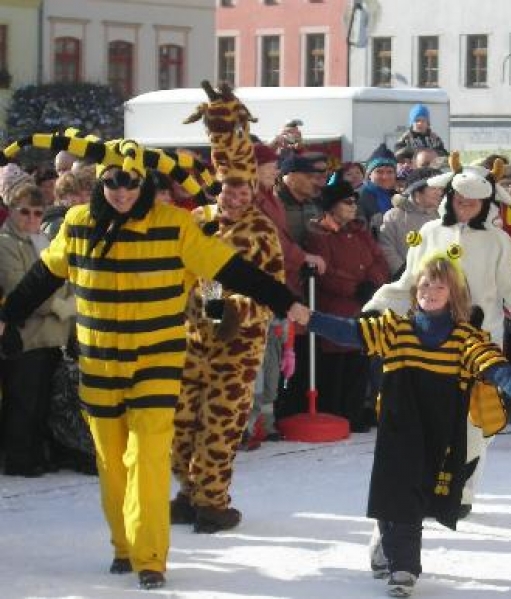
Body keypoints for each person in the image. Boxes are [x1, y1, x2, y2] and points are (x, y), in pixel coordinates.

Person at [0, 133, 307, 591]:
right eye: (113, 183)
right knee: (111, 461)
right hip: (100, 363)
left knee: (148, 455)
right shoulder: (80, 223)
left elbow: (227, 270)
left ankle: (150, 557)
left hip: (157, 361)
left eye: (130, 183)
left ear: (144, 183)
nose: (122, 192)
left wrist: (284, 300)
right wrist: (9, 317)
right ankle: (124, 546)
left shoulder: (175, 225)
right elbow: (44, 276)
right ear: (100, 183)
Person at [295, 254, 511, 598]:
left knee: (412, 496)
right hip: (397, 427)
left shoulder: (463, 337)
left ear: (453, 294)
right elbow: (349, 331)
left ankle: (393, 549)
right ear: (416, 290)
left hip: (438, 431)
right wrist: (308, 317)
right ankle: (403, 566)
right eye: (426, 284)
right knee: (397, 492)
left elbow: (492, 365)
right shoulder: (394, 329)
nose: (431, 290)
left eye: (439, 285)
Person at [364, 156, 511, 518]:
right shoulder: (429, 235)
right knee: (429, 422)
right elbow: (405, 284)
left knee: (476, 425)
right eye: (461, 200)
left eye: (474, 202)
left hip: (479, 348)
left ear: (486, 204)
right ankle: (427, 485)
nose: (466, 207)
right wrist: (377, 310)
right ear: (449, 197)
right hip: (429, 346)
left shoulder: (499, 242)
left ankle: (462, 491)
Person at [171, 89, 288, 534]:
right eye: (229, 187)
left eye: (244, 187)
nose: (236, 195)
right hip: (193, 336)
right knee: (184, 421)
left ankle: (212, 501)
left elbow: (273, 289)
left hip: (238, 345)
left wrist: (237, 310)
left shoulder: (262, 230)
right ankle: (187, 492)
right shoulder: (198, 219)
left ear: (253, 188)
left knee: (220, 424)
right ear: (218, 185)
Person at [0, 183, 76, 476]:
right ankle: (20, 458)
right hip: (26, 334)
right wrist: (59, 306)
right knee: (23, 400)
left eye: (37, 213)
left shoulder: (44, 240)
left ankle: (38, 453)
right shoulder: (6, 242)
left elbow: (66, 278)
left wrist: (71, 303)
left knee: (43, 401)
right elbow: (19, 287)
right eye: (24, 212)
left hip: (53, 334)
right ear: (11, 211)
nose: (31, 218)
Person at [305, 178, 390, 432]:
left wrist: (373, 284)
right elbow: (327, 272)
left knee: (359, 362)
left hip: (363, 304)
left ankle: (354, 413)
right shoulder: (318, 234)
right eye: (347, 202)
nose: (354, 206)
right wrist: (355, 288)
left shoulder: (359, 230)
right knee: (336, 367)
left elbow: (379, 260)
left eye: (355, 202)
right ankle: (336, 414)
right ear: (332, 206)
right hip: (335, 307)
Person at [379, 167, 442, 278]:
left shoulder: (441, 215)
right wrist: (404, 274)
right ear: (417, 191)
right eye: (434, 188)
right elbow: (387, 248)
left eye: (441, 188)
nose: (439, 193)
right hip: (404, 280)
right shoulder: (394, 216)